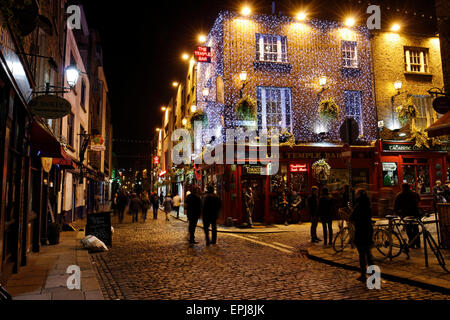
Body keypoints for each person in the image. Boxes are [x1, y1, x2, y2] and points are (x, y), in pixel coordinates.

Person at [351, 189, 374, 283]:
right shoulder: (368, 204)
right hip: (368, 229)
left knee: (362, 254)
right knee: (368, 253)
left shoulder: (358, 205)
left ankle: (363, 274)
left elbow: (352, 217)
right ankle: (373, 274)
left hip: (360, 230)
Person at [394, 183, 421, 248]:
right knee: (415, 228)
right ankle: (417, 243)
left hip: (405, 214)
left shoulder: (399, 195)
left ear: (402, 187)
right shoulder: (414, 193)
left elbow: (396, 206)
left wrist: (399, 214)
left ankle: (411, 243)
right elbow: (419, 200)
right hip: (414, 213)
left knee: (408, 229)